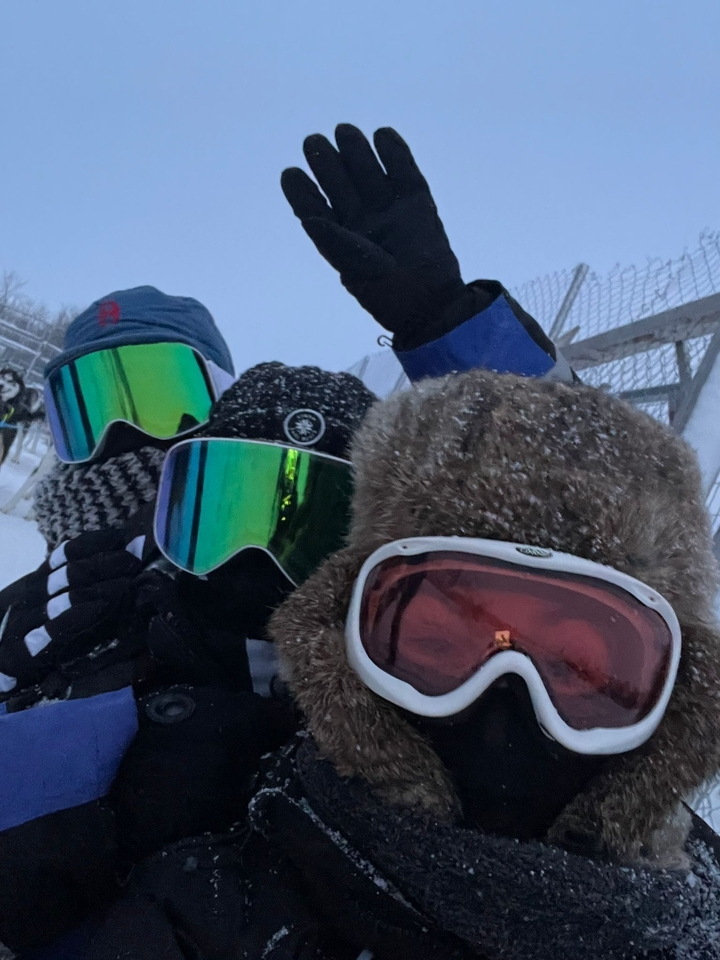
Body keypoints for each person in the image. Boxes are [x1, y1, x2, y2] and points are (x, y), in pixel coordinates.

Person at [0, 124, 574, 956]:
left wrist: (454, 330)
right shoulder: (74, 619)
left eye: (300, 521)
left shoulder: (407, 676)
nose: (125, 429)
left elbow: (579, 552)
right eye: (94, 402)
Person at [82, 368, 720, 959]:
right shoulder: (201, 914)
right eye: (438, 642)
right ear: (336, 636)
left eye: (578, 664)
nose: (503, 701)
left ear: (680, 700)